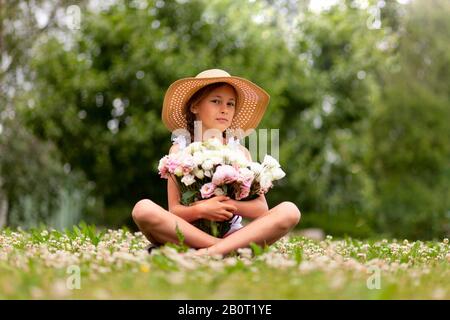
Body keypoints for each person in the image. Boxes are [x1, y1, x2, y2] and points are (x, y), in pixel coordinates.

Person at [132, 68, 301, 257]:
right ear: (194, 106)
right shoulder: (179, 150)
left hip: (232, 232)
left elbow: (261, 208)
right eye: (216, 101)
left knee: (290, 211)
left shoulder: (240, 152)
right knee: (142, 209)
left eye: (230, 104)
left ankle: (204, 253)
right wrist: (202, 209)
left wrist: (228, 206)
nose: (224, 109)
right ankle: (223, 248)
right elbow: (174, 210)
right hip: (188, 232)